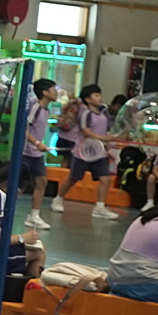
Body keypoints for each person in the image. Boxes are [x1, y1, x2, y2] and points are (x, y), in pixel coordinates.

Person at [52, 84, 119, 222]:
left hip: (98, 153)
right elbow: (86, 132)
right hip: (82, 152)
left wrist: (108, 149)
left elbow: (104, 132)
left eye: (99, 95)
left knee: (105, 179)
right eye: (96, 95)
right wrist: (104, 138)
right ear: (88, 99)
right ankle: (58, 199)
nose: (99, 98)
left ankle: (99, 207)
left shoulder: (103, 115)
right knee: (73, 178)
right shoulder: (86, 114)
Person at [21, 78, 59, 233]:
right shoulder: (35, 107)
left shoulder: (46, 110)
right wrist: (37, 143)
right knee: (17, 185)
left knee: (42, 181)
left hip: (36, 154)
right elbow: (23, 129)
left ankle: (34, 216)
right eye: (53, 89)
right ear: (45, 92)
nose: (56, 92)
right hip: (25, 152)